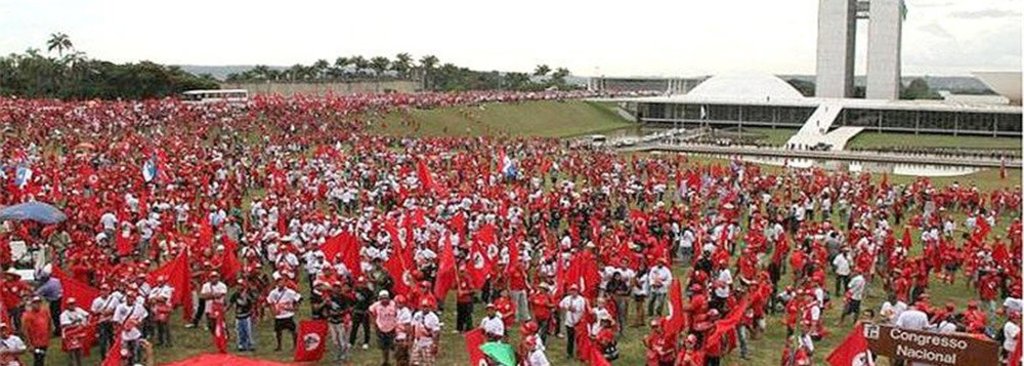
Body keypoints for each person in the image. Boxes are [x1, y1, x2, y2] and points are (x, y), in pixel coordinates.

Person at [267, 276, 302, 351]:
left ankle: (295, 346)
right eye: (279, 282)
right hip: (279, 315)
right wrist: (273, 311)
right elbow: (270, 302)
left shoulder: (290, 292)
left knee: (293, 331)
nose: (281, 284)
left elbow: (298, 298)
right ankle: (279, 346)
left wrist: (295, 307)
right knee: (278, 331)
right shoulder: (273, 292)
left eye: (282, 282)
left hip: (288, 314)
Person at [369, 290, 399, 366]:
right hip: (381, 328)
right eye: (382, 298)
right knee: (384, 347)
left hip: (392, 327)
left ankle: (397, 361)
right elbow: (370, 311)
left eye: (386, 298)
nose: (384, 300)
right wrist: (374, 322)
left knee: (394, 346)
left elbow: (398, 313)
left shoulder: (394, 304)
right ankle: (385, 361)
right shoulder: (376, 305)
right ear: (379, 298)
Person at [227, 278, 257, 352]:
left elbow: (253, 303)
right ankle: (241, 344)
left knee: (248, 331)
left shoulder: (248, 294)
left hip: (246, 316)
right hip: (238, 316)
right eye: (238, 285)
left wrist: (253, 313)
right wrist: (224, 310)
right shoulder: (235, 295)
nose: (238, 287)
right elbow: (230, 304)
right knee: (239, 331)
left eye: (240, 285)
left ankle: (250, 344)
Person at [59, 297, 90, 366]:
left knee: (79, 352)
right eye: (70, 304)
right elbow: (65, 325)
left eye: (73, 304)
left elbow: (87, 315)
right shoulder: (64, 315)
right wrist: (76, 322)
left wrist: (86, 322)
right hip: (69, 336)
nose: (72, 305)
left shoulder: (78, 310)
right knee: (71, 353)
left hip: (78, 335)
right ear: (67, 305)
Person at [558, 284, 587, 358]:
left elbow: (583, 310)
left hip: (578, 322)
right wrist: (567, 308)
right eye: (572, 290)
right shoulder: (567, 299)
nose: (573, 292)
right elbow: (561, 305)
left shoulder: (581, 299)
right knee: (570, 339)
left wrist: (575, 310)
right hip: (569, 321)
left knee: (578, 339)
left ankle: (580, 353)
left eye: (575, 291)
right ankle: (569, 353)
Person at [20, 297, 49, 366]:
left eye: (39, 302)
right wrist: (29, 344)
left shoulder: (44, 312)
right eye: (35, 303)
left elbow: (49, 324)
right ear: (32, 304)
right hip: (35, 343)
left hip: (44, 341)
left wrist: (48, 337)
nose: (37, 304)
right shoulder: (27, 315)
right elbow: (25, 331)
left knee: (42, 358)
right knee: (38, 359)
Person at [411, 298, 441, 366]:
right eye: (423, 306)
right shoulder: (417, 315)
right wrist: (411, 339)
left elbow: (436, 332)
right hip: (417, 341)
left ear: (430, 307)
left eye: (426, 307)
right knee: (414, 362)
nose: (424, 308)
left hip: (428, 343)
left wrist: (435, 344)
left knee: (428, 363)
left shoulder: (434, 318)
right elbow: (413, 326)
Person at [350, 277, 374, 350]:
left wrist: (368, 309)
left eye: (363, 283)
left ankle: (366, 342)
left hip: (365, 312)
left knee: (366, 328)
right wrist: (352, 307)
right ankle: (351, 342)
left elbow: (371, 302)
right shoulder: (355, 291)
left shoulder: (369, 292)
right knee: (354, 327)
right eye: (360, 283)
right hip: (357, 311)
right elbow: (352, 300)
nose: (361, 285)